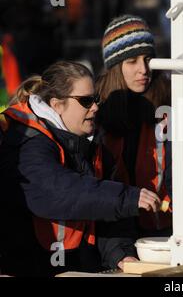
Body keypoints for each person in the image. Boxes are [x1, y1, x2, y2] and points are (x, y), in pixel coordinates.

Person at [0, 61, 162, 277]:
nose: (95, 107)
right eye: (85, 101)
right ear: (57, 105)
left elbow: (108, 215)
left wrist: (121, 255)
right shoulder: (27, 142)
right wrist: (128, 197)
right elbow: (59, 193)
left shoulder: (95, 144)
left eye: (95, 99)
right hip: (31, 268)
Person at [95, 15, 172, 262]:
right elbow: (99, 192)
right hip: (119, 241)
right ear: (115, 66)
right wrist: (120, 254)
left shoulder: (173, 103)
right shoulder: (95, 113)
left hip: (170, 234)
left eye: (149, 59)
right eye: (132, 61)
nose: (144, 69)